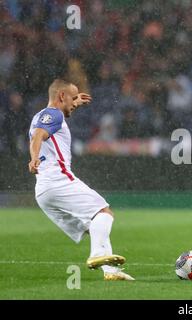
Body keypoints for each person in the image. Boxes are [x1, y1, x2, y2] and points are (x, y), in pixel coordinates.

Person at [28, 79, 134, 281]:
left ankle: (111, 273)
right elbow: (39, 136)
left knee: (94, 226)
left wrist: (74, 101)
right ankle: (96, 255)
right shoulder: (54, 114)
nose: (74, 103)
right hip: (57, 180)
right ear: (61, 96)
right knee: (104, 213)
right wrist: (33, 158)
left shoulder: (41, 116)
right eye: (71, 97)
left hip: (43, 191)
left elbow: (40, 132)